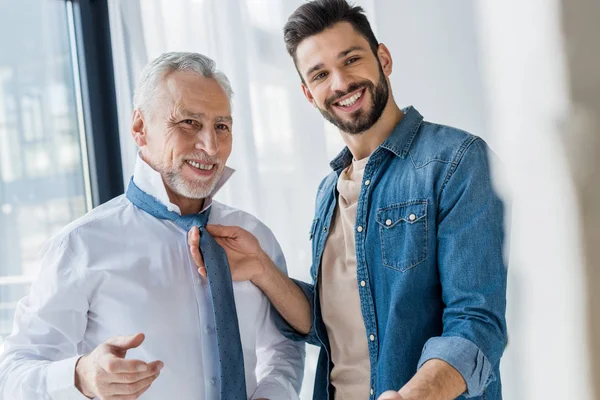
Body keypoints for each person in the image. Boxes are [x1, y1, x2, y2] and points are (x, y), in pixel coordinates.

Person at [189, 1, 507, 399]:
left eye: (351, 59)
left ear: (383, 59)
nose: (340, 83)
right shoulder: (329, 190)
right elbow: (333, 326)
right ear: (309, 94)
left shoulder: (457, 161)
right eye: (320, 74)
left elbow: (477, 323)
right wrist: (261, 269)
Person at [0, 52, 305, 400]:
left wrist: (274, 392)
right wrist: (80, 376)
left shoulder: (255, 237)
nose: (211, 146)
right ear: (140, 128)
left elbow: (283, 347)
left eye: (222, 126)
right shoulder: (80, 246)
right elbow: (12, 373)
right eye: (188, 122)